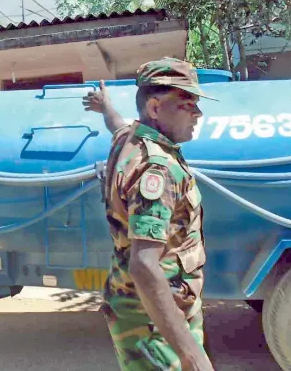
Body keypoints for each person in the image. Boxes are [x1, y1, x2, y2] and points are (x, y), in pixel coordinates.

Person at [83, 58, 216, 371]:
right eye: (187, 104)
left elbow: (116, 124)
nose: (198, 114)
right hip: (151, 322)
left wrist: (105, 107)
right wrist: (191, 355)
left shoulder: (129, 138)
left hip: (155, 310)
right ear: (155, 108)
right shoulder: (157, 170)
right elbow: (144, 265)